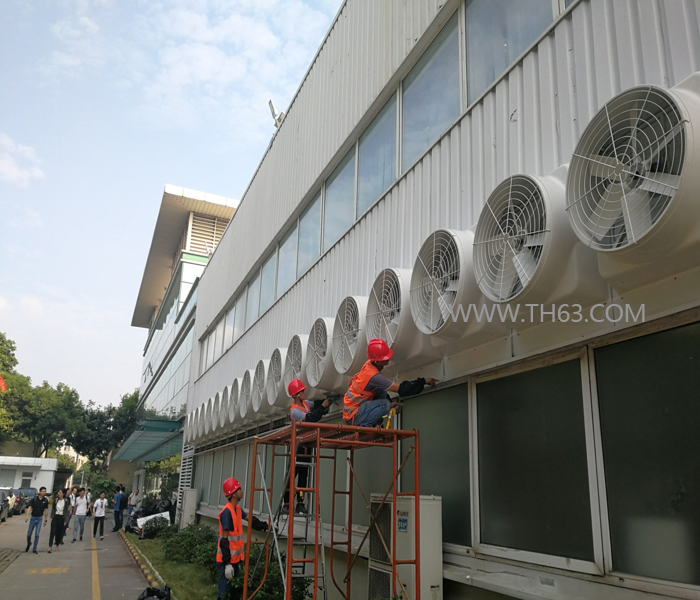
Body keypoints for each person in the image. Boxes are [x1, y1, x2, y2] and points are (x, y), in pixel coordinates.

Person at [343, 339, 437, 427]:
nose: (388, 358)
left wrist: (391, 403)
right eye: (385, 357)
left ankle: (372, 423)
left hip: (354, 411)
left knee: (381, 390)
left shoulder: (370, 364)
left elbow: (379, 392)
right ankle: (365, 427)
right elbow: (402, 389)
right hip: (353, 417)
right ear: (377, 361)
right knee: (385, 404)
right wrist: (423, 381)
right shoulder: (374, 376)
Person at [283, 379, 331, 515]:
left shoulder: (305, 404)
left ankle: (300, 503)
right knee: (292, 475)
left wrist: (325, 402)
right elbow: (310, 419)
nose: (305, 393)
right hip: (298, 445)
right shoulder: (295, 411)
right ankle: (287, 504)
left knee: (304, 476)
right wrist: (322, 408)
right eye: (302, 391)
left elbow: (314, 404)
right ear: (297, 395)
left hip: (306, 444)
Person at [217, 478, 268, 600]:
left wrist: (267, 526)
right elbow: (224, 540)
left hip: (235, 560)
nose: (242, 490)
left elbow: (252, 521)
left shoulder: (237, 510)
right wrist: (227, 563)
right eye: (239, 488)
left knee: (233, 594)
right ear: (234, 494)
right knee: (224, 594)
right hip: (226, 561)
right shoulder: (227, 512)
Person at [25, 486, 49, 554]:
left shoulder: (45, 500)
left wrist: (45, 520)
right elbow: (29, 508)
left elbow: (46, 510)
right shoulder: (34, 499)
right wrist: (27, 516)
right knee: (29, 533)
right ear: (40, 492)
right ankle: (29, 543)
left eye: (45, 491)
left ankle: (34, 548)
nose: (44, 492)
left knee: (37, 534)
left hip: (39, 518)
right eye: (43, 491)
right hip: (33, 518)